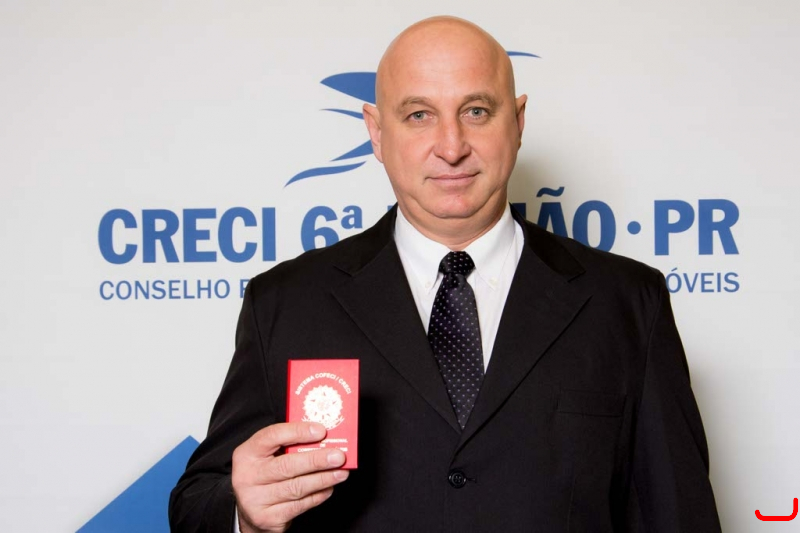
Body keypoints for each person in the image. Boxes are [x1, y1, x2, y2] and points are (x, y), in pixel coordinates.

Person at [169, 16, 721, 532]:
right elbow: (195, 503)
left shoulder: (628, 302)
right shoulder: (285, 303)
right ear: (376, 132)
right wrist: (242, 511)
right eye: (419, 115)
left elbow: (679, 514)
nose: (452, 147)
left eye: (476, 111)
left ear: (518, 122)